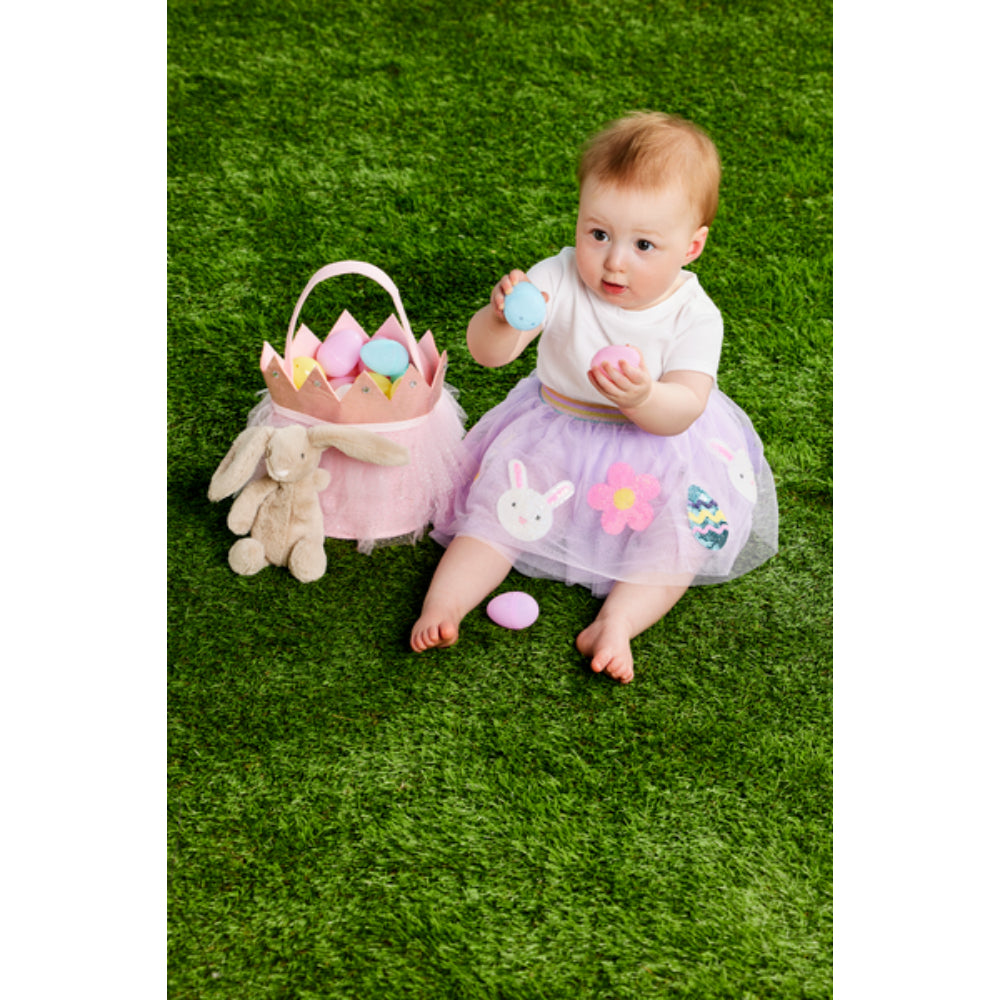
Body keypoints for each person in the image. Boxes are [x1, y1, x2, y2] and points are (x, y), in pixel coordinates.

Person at [410, 111, 778, 683]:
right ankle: (444, 604)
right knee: (497, 513)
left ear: (692, 246)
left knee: (680, 542)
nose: (614, 261)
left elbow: (684, 408)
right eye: (598, 233)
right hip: (555, 430)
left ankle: (617, 622)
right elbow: (489, 354)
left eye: (644, 244)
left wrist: (644, 396)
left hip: (657, 447)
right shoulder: (557, 276)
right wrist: (501, 318)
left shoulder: (695, 315)